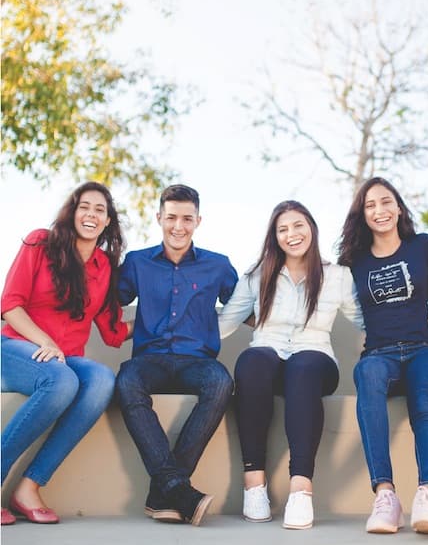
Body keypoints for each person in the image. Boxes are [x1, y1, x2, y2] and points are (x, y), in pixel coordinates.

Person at [218, 200, 364, 529]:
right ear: (275, 237)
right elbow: (224, 323)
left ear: (311, 227)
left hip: (315, 359)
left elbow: (365, 320)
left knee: (303, 366)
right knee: (252, 361)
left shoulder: (337, 276)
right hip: (267, 357)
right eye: (282, 229)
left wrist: (413, 322)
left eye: (298, 225)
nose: (291, 234)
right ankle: (254, 484)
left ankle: (300, 489)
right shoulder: (257, 276)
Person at [1, 182, 131, 526]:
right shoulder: (40, 243)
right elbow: (10, 305)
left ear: (108, 221)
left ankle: (29, 487)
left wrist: (165, 320)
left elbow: (113, 331)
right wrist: (44, 342)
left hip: (64, 359)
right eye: (84, 206)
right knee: (61, 381)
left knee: (102, 380)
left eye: (100, 210)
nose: (91, 214)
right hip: (15, 347)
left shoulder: (104, 267)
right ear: (73, 212)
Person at [337, 176, 428, 535]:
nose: (380, 210)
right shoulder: (353, 261)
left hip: (425, 348)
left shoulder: (423, 245)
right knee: (367, 374)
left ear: (399, 208)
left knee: (424, 405)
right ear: (362, 215)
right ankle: (386, 495)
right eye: (370, 205)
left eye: (386, 201)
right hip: (380, 352)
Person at [115, 184, 238, 527]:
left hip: (198, 362)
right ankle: (178, 490)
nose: (178, 226)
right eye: (171, 218)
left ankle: (166, 491)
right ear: (159, 218)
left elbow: (247, 305)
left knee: (221, 383)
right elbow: (107, 300)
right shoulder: (137, 262)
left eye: (187, 218)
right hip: (149, 360)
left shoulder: (218, 265)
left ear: (198, 221)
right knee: (126, 381)